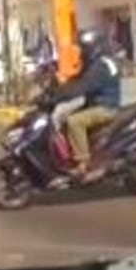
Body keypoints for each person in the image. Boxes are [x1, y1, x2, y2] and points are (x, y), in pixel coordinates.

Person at [48, 29, 122, 179]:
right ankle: (69, 152)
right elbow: (77, 79)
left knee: (75, 122)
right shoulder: (97, 63)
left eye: (83, 48)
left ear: (93, 47)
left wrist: (59, 95)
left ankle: (83, 163)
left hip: (106, 107)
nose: (81, 52)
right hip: (96, 103)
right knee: (63, 115)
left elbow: (82, 87)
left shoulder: (101, 66)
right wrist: (55, 89)